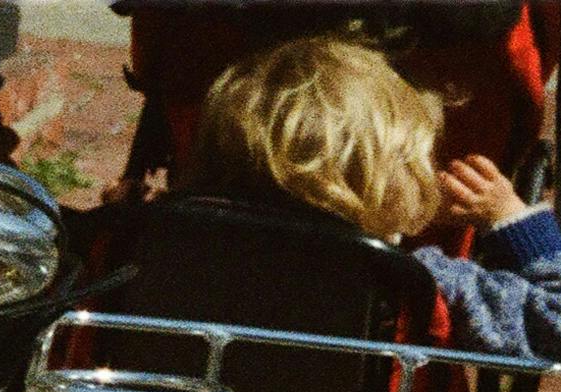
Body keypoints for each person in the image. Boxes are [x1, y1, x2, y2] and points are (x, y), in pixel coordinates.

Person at [188, 32, 561, 355]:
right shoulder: (420, 284)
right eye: (420, 160)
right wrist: (512, 219)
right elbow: (554, 320)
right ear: (382, 185)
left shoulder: (180, 256)